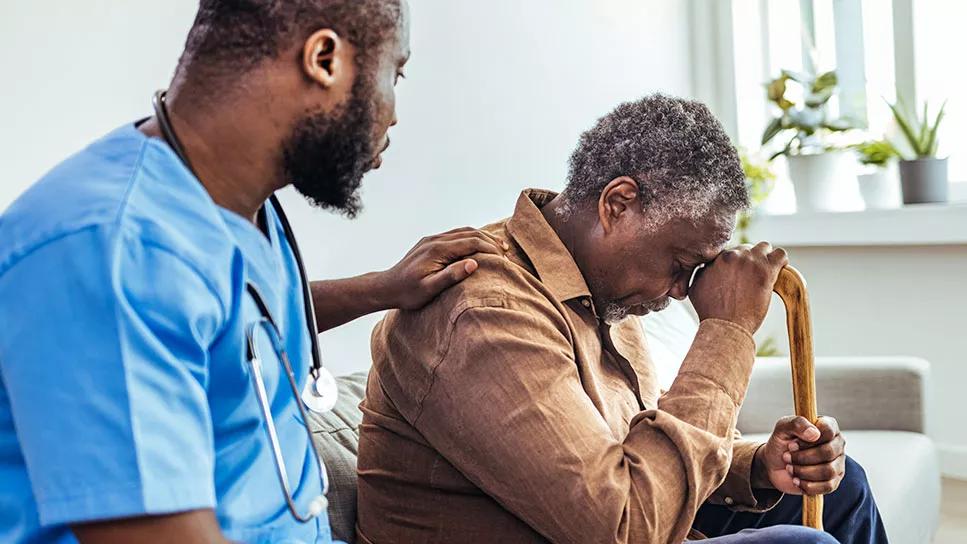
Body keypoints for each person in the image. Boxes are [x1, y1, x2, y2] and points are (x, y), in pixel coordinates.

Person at [0, 1, 503, 542]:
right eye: (394, 74)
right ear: (324, 58)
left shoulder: (231, 201)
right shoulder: (107, 251)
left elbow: (223, 317)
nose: (394, 113)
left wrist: (384, 288)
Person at [356, 94, 888, 543]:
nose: (683, 291)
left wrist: (758, 465)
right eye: (680, 266)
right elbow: (625, 525)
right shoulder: (483, 311)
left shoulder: (604, 293)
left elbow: (637, 459)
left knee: (844, 490)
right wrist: (725, 332)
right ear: (618, 203)